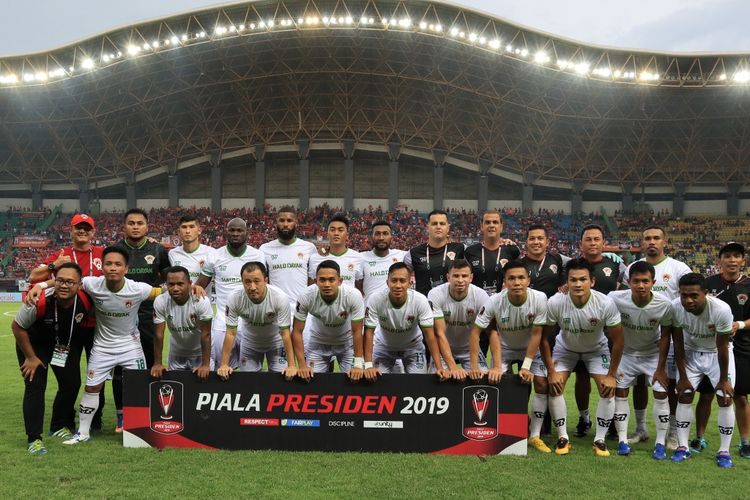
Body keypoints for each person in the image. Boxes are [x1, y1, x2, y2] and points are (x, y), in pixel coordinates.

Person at [25, 247, 202, 445]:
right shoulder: (92, 284)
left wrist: (192, 286)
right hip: (102, 347)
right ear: (102, 266)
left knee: (140, 388)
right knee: (92, 388)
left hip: (131, 347)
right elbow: (68, 281)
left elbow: (166, 290)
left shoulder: (137, 288)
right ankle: (83, 433)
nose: (113, 268)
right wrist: (41, 285)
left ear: (126, 268)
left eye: (118, 264)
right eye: (108, 263)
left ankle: (140, 433)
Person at [28, 213, 105, 431]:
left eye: (87, 228)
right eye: (78, 228)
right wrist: (54, 265)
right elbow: (34, 275)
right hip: (67, 329)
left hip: (97, 328)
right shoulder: (61, 254)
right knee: (69, 380)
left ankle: (95, 421)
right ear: (70, 231)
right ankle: (62, 421)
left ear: (93, 232)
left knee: (98, 376)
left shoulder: (102, 253)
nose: (82, 232)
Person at [541, 258, 624, 456]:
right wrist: (551, 371)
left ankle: (600, 439)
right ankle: (563, 437)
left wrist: (612, 375)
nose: (578, 284)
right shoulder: (556, 302)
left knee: (607, 387)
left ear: (592, 282)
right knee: (555, 384)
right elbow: (544, 339)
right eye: (573, 280)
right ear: (566, 283)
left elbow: (619, 341)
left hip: (597, 349)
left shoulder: (605, 303)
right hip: (565, 349)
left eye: (583, 279)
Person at [12, 263, 94, 454]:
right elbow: (17, 327)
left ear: (79, 284)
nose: (64, 285)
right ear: (54, 281)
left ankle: (57, 426)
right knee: (35, 387)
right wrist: (30, 357)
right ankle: (34, 439)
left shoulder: (85, 299)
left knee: (71, 384)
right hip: (33, 346)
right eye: (60, 281)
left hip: (60, 346)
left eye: (70, 282)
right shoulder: (39, 299)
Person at [470, 260, 550, 452]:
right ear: (504, 282)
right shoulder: (494, 301)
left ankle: (535, 435)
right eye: (511, 278)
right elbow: (475, 333)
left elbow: (537, 334)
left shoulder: (539, 298)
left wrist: (526, 365)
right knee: (496, 382)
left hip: (530, 349)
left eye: (521, 277)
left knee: (540, 383)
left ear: (528, 280)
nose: (516, 282)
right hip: (504, 350)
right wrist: (478, 366)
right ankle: (505, 427)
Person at [625, 226, 692, 448]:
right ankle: (641, 429)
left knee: (669, 384)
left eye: (656, 238)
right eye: (647, 238)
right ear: (642, 242)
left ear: (665, 242)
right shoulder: (632, 268)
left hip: (669, 336)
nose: (651, 242)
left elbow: (688, 298)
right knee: (640, 384)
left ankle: (672, 432)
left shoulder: (678, 268)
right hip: (640, 336)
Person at [609, 261, 674, 459]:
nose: (641, 285)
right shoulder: (615, 299)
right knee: (620, 392)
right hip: (626, 354)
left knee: (661, 393)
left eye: (645, 281)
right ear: (628, 282)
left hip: (651, 355)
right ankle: (622, 440)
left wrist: (661, 367)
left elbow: (665, 336)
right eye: (636, 281)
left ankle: (660, 443)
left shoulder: (664, 304)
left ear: (653, 282)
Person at [670, 273, 736, 468]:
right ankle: (683, 447)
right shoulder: (675, 307)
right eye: (683, 295)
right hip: (690, 353)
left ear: (705, 294)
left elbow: (723, 346)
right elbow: (678, 343)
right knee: (684, 394)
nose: (688, 300)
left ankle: (724, 451)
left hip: (716, 353)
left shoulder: (721, 309)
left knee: (725, 397)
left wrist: (724, 380)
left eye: (693, 295)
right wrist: (682, 377)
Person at [113, 208, 170, 432]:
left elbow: (169, 277)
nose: (135, 226)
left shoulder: (157, 249)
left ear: (147, 226)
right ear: (124, 226)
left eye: (140, 223)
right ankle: (121, 416)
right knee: (120, 367)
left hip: (149, 315)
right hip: (121, 316)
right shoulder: (116, 250)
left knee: (150, 364)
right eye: (131, 223)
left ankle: (149, 411)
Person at [574, 224, 627, 439]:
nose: (593, 243)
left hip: (609, 330)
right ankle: (584, 417)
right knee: (582, 378)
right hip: (582, 330)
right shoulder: (574, 266)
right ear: (581, 244)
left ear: (603, 243)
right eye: (588, 239)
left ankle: (612, 420)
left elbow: (629, 286)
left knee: (609, 376)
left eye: (597, 239)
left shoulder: (616, 265)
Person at [197, 218, 265, 369]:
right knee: (224, 369)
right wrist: (196, 289)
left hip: (250, 323)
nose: (235, 233)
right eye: (232, 230)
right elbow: (199, 286)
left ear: (247, 233)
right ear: (226, 232)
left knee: (250, 371)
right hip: (223, 322)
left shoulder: (258, 256)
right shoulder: (215, 256)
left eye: (239, 230)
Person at [363, 262, 447, 379]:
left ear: (410, 283)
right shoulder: (375, 299)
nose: (398, 285)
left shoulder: (420, 300)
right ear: (387, 282)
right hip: (383, 347)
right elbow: (368, 333)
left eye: (402, 281)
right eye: (394, 280)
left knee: (418, 382)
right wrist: (367, 366)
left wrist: (439, 367)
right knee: (375, 380)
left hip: (413, 347)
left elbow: (430, 336)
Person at [706, 242, 750, 458]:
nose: (732, 260)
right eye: (728, 256)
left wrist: (740, 324)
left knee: (740, 395)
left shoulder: (749, 285)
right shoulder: (708, 284)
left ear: (743, 261)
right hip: (709, 346)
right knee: (705, 395)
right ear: (719, 261)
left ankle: (745, 442)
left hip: (741, 346)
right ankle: (700, 438)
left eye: (737, 256)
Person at [216, 262, 296, 380]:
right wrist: (224, 364)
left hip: (276, 343)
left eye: (257, 281)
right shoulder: (234, 298)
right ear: (242, 282)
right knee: (248, 383)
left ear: (266, 280)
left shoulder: (279, 297)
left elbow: (285, 333)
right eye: (247, 282)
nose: (252, 287)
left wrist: (292, 366)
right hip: (249, 344)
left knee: (282, 381)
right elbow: (231, 333)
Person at [292, 260, 365, 381]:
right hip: (318, 343)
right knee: (310, 381)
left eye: (332, 280)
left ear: (340, 281)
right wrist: (302, 365)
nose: (327, 284)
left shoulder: (353, 295)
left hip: (347, 344)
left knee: (355, 380)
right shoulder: (305, 296)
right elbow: (297, 331)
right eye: (322, 280)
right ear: (316, 281)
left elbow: (357, 331)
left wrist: (357, 364)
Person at [428, 259, 490, 379]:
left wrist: (474, 366)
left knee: (481, 379)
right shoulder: (435, 294)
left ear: (471, 278)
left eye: (464, 276)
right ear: (448, 277)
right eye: (456, 276)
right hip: (444, 347)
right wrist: (453, 368)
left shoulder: (481, 296)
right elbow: (439, 333)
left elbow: (476, 333)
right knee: (438, 379)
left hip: (469, 348)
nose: (460, 280)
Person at [150, 266, 213, 380]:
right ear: (166, 284)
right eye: (171, 284)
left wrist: (205, 365)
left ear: (189, 283)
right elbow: (158, 334)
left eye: (180, 283)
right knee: (178, 393)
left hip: (200, 354)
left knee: (202, 392)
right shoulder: (160, 301)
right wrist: (157, 363)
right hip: (176, 355)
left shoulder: (201, 301)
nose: (175, 288)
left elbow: (206, 334)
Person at [260, 207, 317, 305]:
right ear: (276, 223)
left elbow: (312, 280)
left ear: (296, 223)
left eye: (289, 221)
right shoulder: (264, 249)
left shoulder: (309, 248)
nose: (285, 224)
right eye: (281, 221)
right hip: (276, 309)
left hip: (302, 309)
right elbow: (263, 280)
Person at [404, 210, 464, 297]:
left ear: (448, 227)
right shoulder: (413, 254)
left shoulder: (460, 249)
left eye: (442, 224)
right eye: (434, 223)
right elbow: (402, 279)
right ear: (427, 227)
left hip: (452, 305)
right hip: (425, 306)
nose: (438, 227)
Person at [464, 210, 520, 295]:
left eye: (495, 222)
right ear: (481, 226)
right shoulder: (470, 251)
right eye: (487, 222)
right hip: (477, 303)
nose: (491, 225)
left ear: (501, 226)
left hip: (502, 303)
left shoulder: (512, 250)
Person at [308, 214, 363, 290]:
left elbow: (359, 287)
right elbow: (311, 286)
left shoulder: (358, 257)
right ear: (327, 234)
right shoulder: (315, 258)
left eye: (340, 230)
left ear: (347, 235)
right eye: (332, 230)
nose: (336, 233)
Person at [360, 220, 406, 299]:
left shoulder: (402, 255)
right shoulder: (360, 258)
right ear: (371, 237)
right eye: (377, 234)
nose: (381, 238)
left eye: (385, 233)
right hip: (370, 309)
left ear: (391, 237)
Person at [521, 224, 568, 299]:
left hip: (552, 309)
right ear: (526, 242)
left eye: (540, 238)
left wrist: (567, 283)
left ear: (547, 242)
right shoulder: (519, 264)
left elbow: (577, 264)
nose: (536, 242)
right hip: (529, 309)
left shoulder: (557, 259)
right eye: (532, 238)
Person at [168, 214, 215, 283]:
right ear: (179, 232)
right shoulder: (172, 254)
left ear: (199, 230)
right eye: (184, 227)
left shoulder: (211, 253)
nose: (187, 231)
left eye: (191, 227)